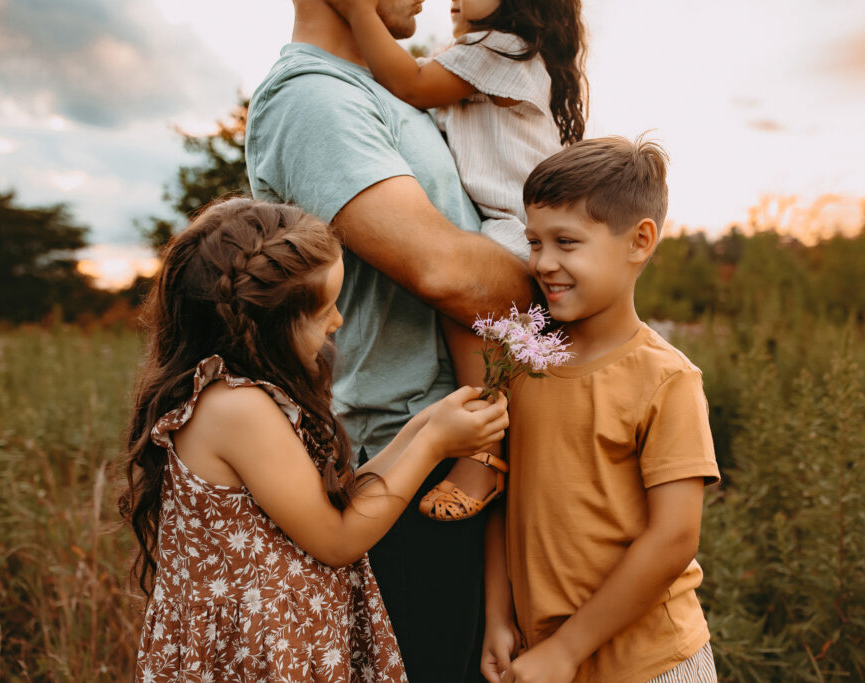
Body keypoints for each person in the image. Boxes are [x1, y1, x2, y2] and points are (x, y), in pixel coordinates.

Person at [245, 1, 534, 680]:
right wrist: (573, 281)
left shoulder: (385, 94)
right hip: (401, 461)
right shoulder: (314, 100)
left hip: (463, 443)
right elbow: (444, 269)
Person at [119, 199, 509, 681]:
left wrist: (423, 427)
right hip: (260, 651)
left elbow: (334, 502)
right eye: (325, 308)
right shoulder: (236, 408)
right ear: (265, 325)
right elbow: (337, 538)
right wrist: (433, 448)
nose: (338, 322)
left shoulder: (243, 394)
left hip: (282, 635)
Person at [326, 0, 586, 520]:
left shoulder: (501, 49)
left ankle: (482, 457)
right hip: (512, 221)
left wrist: (359, 15)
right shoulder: (481, 54)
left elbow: (414, 84)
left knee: (466, 308)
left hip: (521, 224)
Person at [481, 137, 721, 683]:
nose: (543, 262)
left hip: (651, 663)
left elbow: (675, 537)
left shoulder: (667, 379)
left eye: (567, 242)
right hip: (540, 659)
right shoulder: (521, 362)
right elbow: (502, 495)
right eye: (534, 242)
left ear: (639, 241)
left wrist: (567, 649)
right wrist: (498, 616)